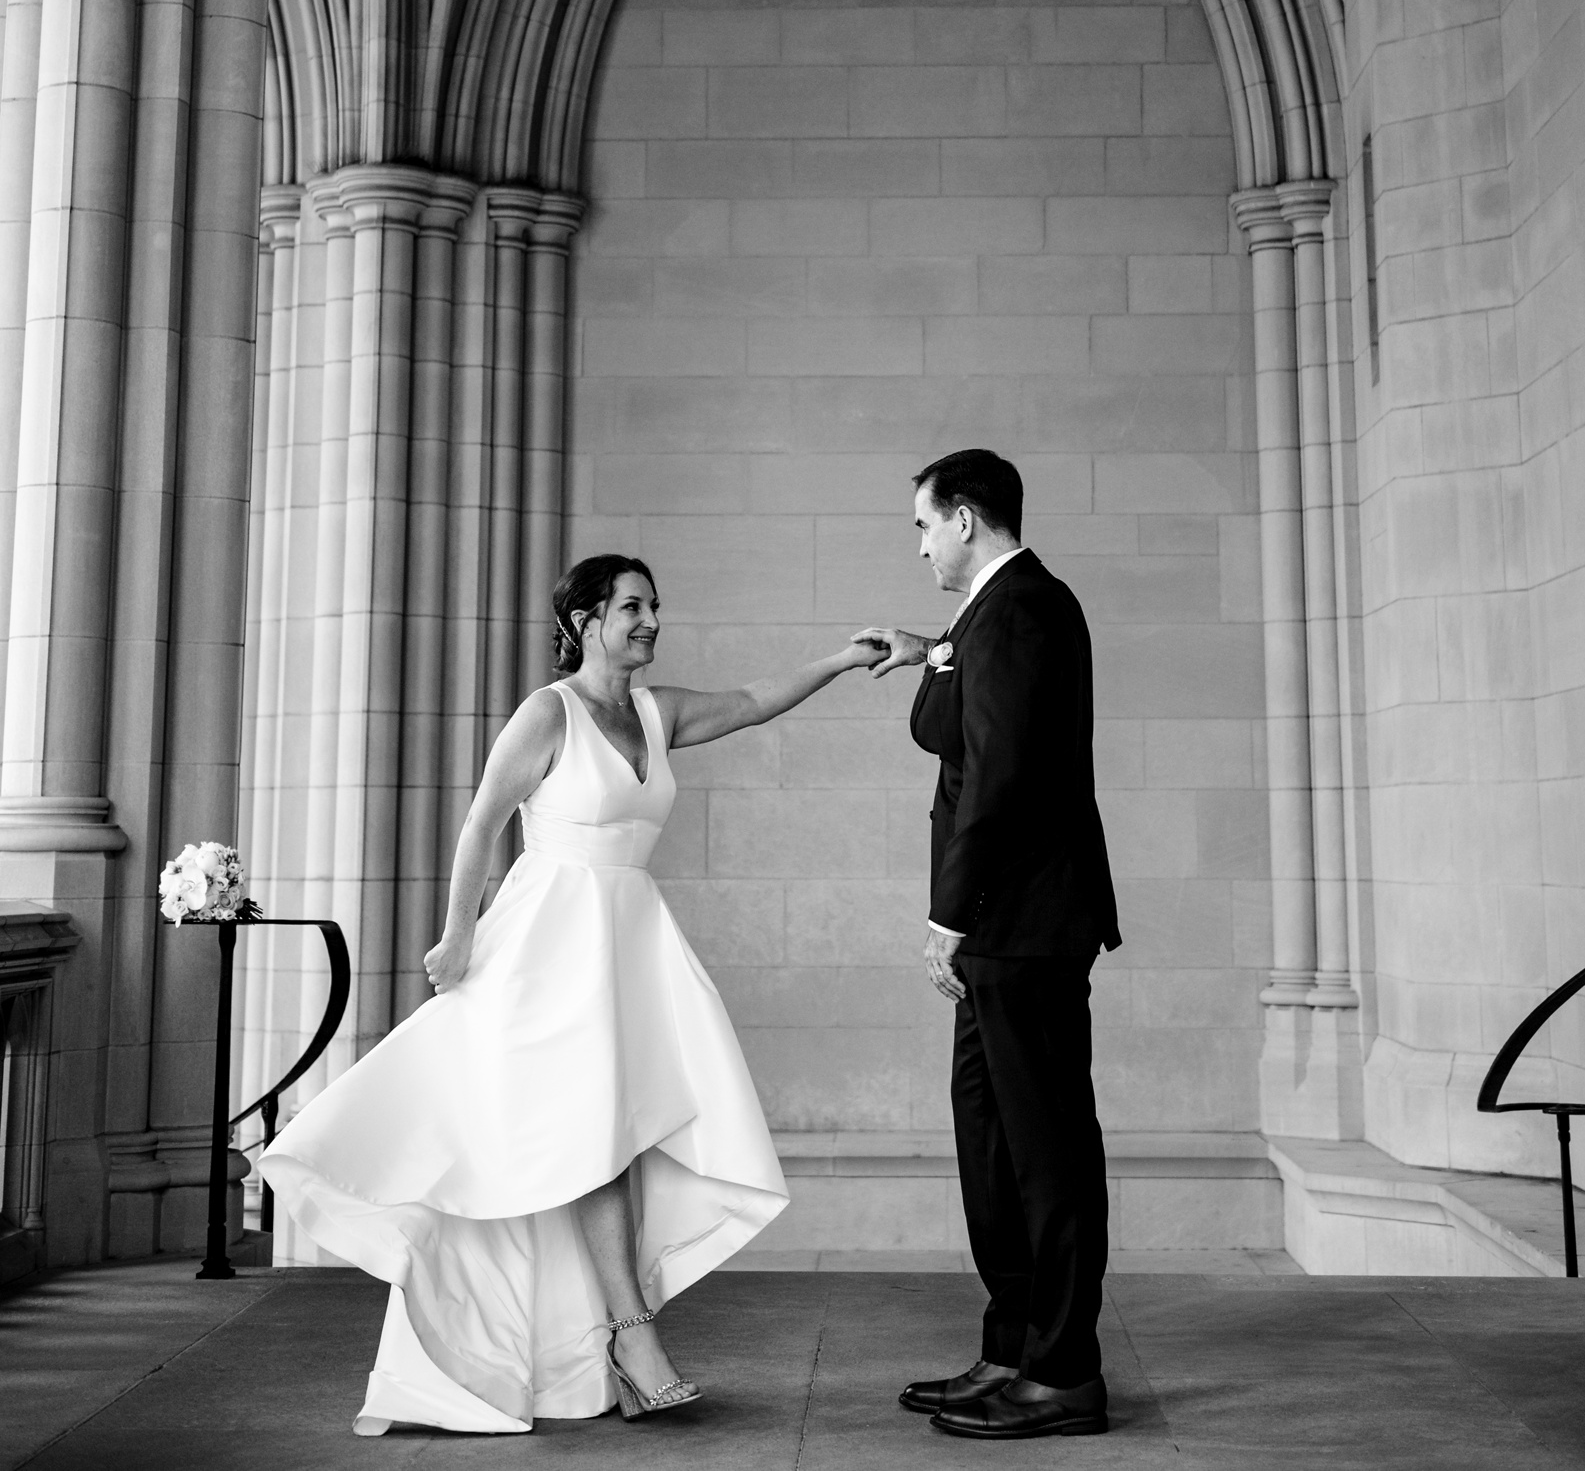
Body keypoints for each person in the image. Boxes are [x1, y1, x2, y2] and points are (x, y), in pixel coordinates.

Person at [262, 554, 893, 1433]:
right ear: (585, 619)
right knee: (589, 1131)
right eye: (632, 606)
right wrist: (458, 933)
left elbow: (749, 701)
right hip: (549, 945)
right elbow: (482, 822)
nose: (650, 621)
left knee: (616, 1134)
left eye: (655, 607)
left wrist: (842, 658)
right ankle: (632, 1342)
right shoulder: (546, 713)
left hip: (629, 942)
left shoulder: (654, 710)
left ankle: (602, 1347)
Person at [863, 449, 1120, 1441]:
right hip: (1001, 933)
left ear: (965, 517)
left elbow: (1002, 775)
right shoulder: (989, 618)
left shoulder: (1023, 608)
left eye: (924, 524)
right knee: (992, 1142)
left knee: (1045, 1152)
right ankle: (1012, 1344)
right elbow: (951, 718)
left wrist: (949, 911)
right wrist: (930, 646)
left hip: (1023, 923)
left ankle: (1063, 1372)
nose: (920, 542)